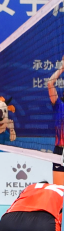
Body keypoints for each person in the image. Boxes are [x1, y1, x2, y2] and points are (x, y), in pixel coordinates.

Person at [47, 55, 64, 184]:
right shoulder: (59, 105)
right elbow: (50, 83)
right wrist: (62, 68)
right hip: (59, 150)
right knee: (59, 190)